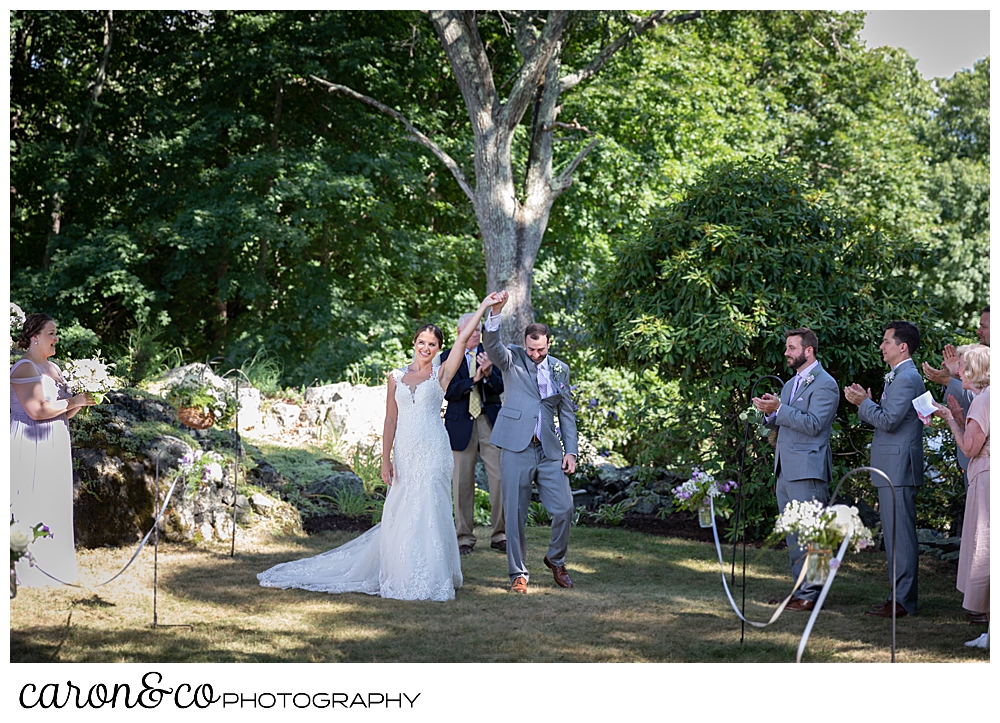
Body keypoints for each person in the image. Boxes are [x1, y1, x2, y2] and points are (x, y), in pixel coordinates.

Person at [258, 293, 502, 601]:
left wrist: (483, 307)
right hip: (406, 450)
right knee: (403, 509)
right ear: (414, 343)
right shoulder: (396, 377)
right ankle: (402, 570)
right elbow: (390, 421)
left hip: (434, 450)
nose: (426, 348)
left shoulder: (441, 373)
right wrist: (385, 460)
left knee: (430, 505)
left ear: (439, 349)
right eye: (421, 342)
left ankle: (432, 574)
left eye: (432, 344)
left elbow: (464, 337)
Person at [481, 291, 578, 594]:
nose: (535, 354)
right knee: (515, 512)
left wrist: (571, 451)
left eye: (541, 349)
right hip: (515, 446)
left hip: (548, 450)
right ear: (525, 344)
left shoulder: (561, 369)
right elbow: (492, 345)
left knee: (564, 508)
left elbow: (567, 412)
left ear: (549, 344)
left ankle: (556, 559)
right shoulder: (512, 358)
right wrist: (495, 312)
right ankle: (518, 574)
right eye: (531, 348)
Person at [753, 328, 839, 612]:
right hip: (785, 470)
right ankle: (800, 590)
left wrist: (781, 409)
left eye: (792, 347)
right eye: (787, 347)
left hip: (808, 470)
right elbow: (782, 422)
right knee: (793, 536)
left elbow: (814, 424)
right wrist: (768, 412)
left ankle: (813, 595)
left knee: (812, 535)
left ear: (808, 350)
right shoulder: (790, 385)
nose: (787, 352)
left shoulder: (825, 384)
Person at [844, 320, 926, 618]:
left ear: (902, 347)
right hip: (891, 465)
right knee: (893, 535)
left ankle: (902, 601)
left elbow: (890, 421)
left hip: (898, 467)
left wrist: (864, 403)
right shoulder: (898, 376)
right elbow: (889, 419)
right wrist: (865, 405)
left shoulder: (906, 377)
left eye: (886, 341)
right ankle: (898, 597)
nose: (881, 346)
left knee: (900, 536)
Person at [10, 313, 96, 587]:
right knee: (30, 497)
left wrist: (83, 400)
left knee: (52, 497)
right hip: (30, 440)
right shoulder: (24, 368)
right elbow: (37, 411)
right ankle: (24, 568)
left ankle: (52, 564)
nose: (56, 338)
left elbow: (64, 414)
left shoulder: (54, 369)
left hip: (56, 439)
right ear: (34, 337)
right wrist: (74, 400)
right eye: (51, 333)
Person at [930, 344, 989, 648]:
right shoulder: (988, 398)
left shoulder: (983, 402)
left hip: (987, 481)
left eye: (963, 366)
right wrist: (959, 414)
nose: (958, 371)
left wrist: (950, 420)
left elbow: (969, 448)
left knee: (986, 549)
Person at [441, 313, 505, 555]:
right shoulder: (447, 357)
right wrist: (473, 379)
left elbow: (500, 388)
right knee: (462, 483)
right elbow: (448, 391)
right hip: (460, 426)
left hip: (489, 423)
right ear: (459, 332)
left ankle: (500, 535)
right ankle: (464, 538)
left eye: (479, 329)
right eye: (472, 329)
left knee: (499, 479)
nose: (476, 333)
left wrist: (488, 375)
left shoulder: (491, 354)